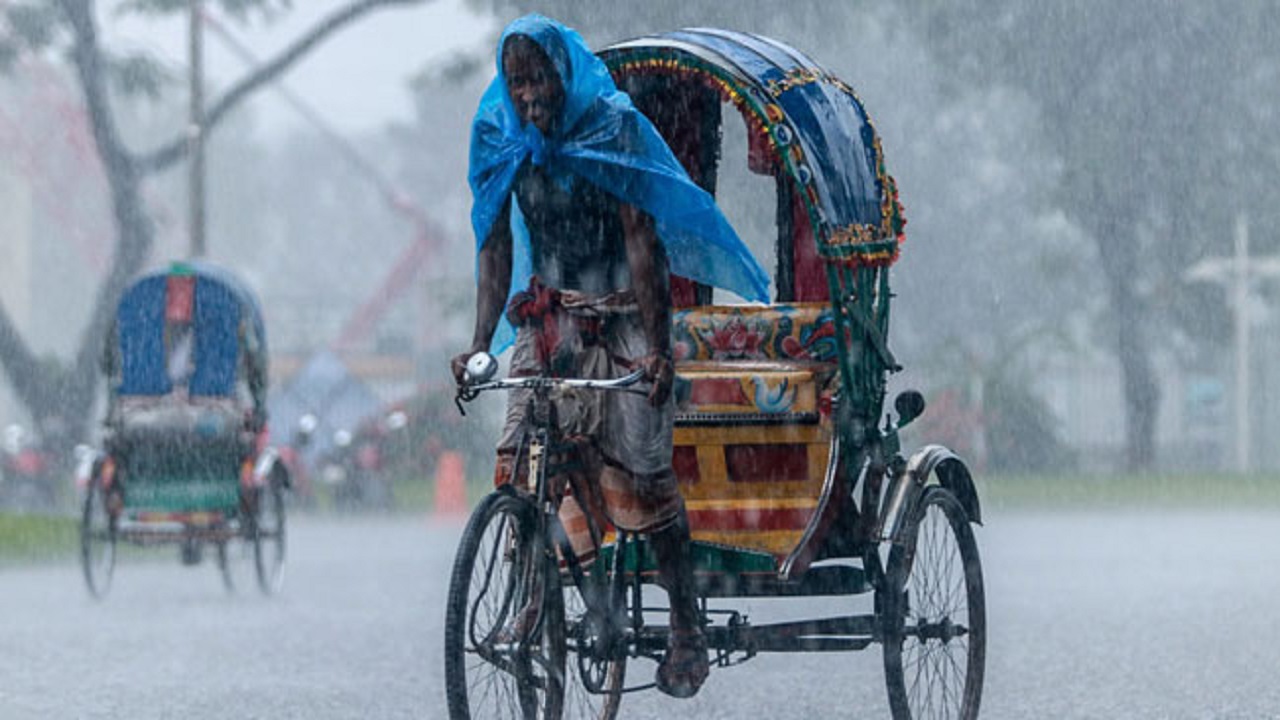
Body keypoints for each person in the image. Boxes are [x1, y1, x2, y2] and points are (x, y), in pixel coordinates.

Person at [451, 14, 769, 699]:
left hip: (624, 316)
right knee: (521, 459)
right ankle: (534, 588)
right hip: (548, 317)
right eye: (517, 83)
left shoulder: (611, 127)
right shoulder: (502, 137)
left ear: (563, 74)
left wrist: (658, 350)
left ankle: (685, 622)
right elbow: (494, 246)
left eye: (540, 79)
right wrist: (479, 344)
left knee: (646, 471)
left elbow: (640, 241)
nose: (530, 95)